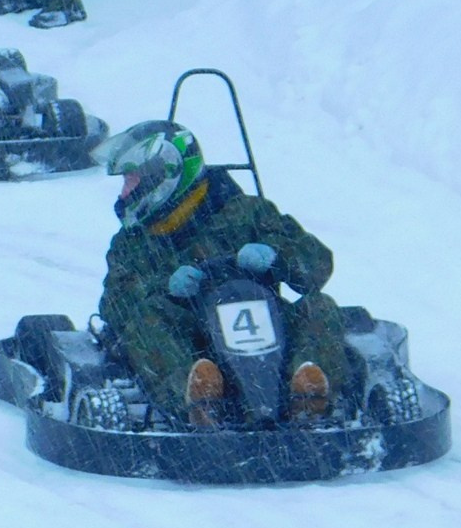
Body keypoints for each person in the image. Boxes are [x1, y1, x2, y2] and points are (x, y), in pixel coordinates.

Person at [96, 121, 351, 427]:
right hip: (192, 336)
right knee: (145, 321)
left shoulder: (247, 212)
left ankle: (307, 392)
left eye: (132, 180)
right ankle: (200, 400)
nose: (125, 192)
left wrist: (277, 257)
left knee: (320, 306)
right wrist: (166, 286)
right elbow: (115, 304)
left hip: (269, 328)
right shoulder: (133, 242)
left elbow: (317, 265)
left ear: (162, 175)